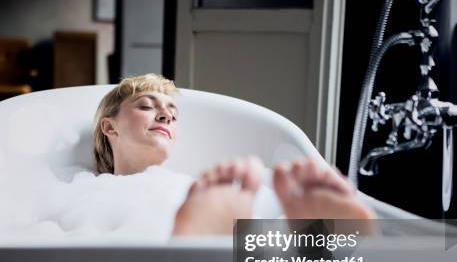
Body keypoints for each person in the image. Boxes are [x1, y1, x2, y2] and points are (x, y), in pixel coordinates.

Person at [93, 73, 375, 237]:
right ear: (109, 126)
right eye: (146, 106)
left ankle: (200, 251)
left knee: (265, 255)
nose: (166, 115)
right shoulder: (90, 197)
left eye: (173, 113)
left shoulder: (190, 190)